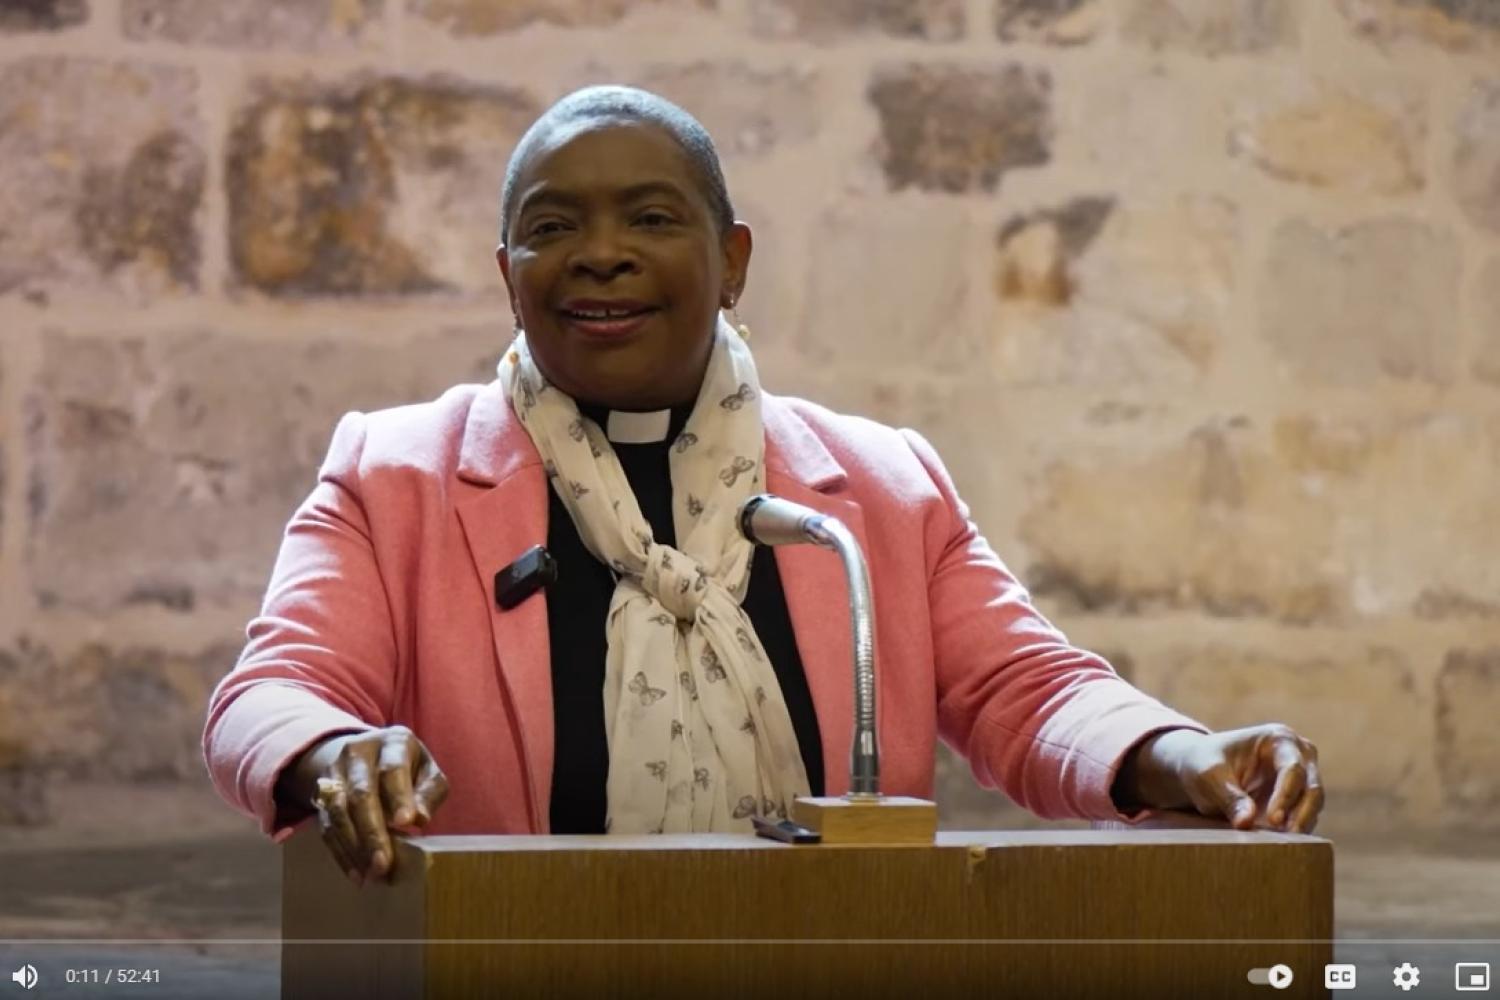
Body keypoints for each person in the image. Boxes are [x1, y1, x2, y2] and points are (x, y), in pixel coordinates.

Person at [202, 85, 1323, 887]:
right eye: (553, 228)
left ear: (732, 261)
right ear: (510, 278)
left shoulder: (877, 488)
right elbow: (270, 692)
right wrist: (330, 754)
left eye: (650, 218)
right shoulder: (396, 474)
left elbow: (1027, 691)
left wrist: (1179, 756)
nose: (601, 253)